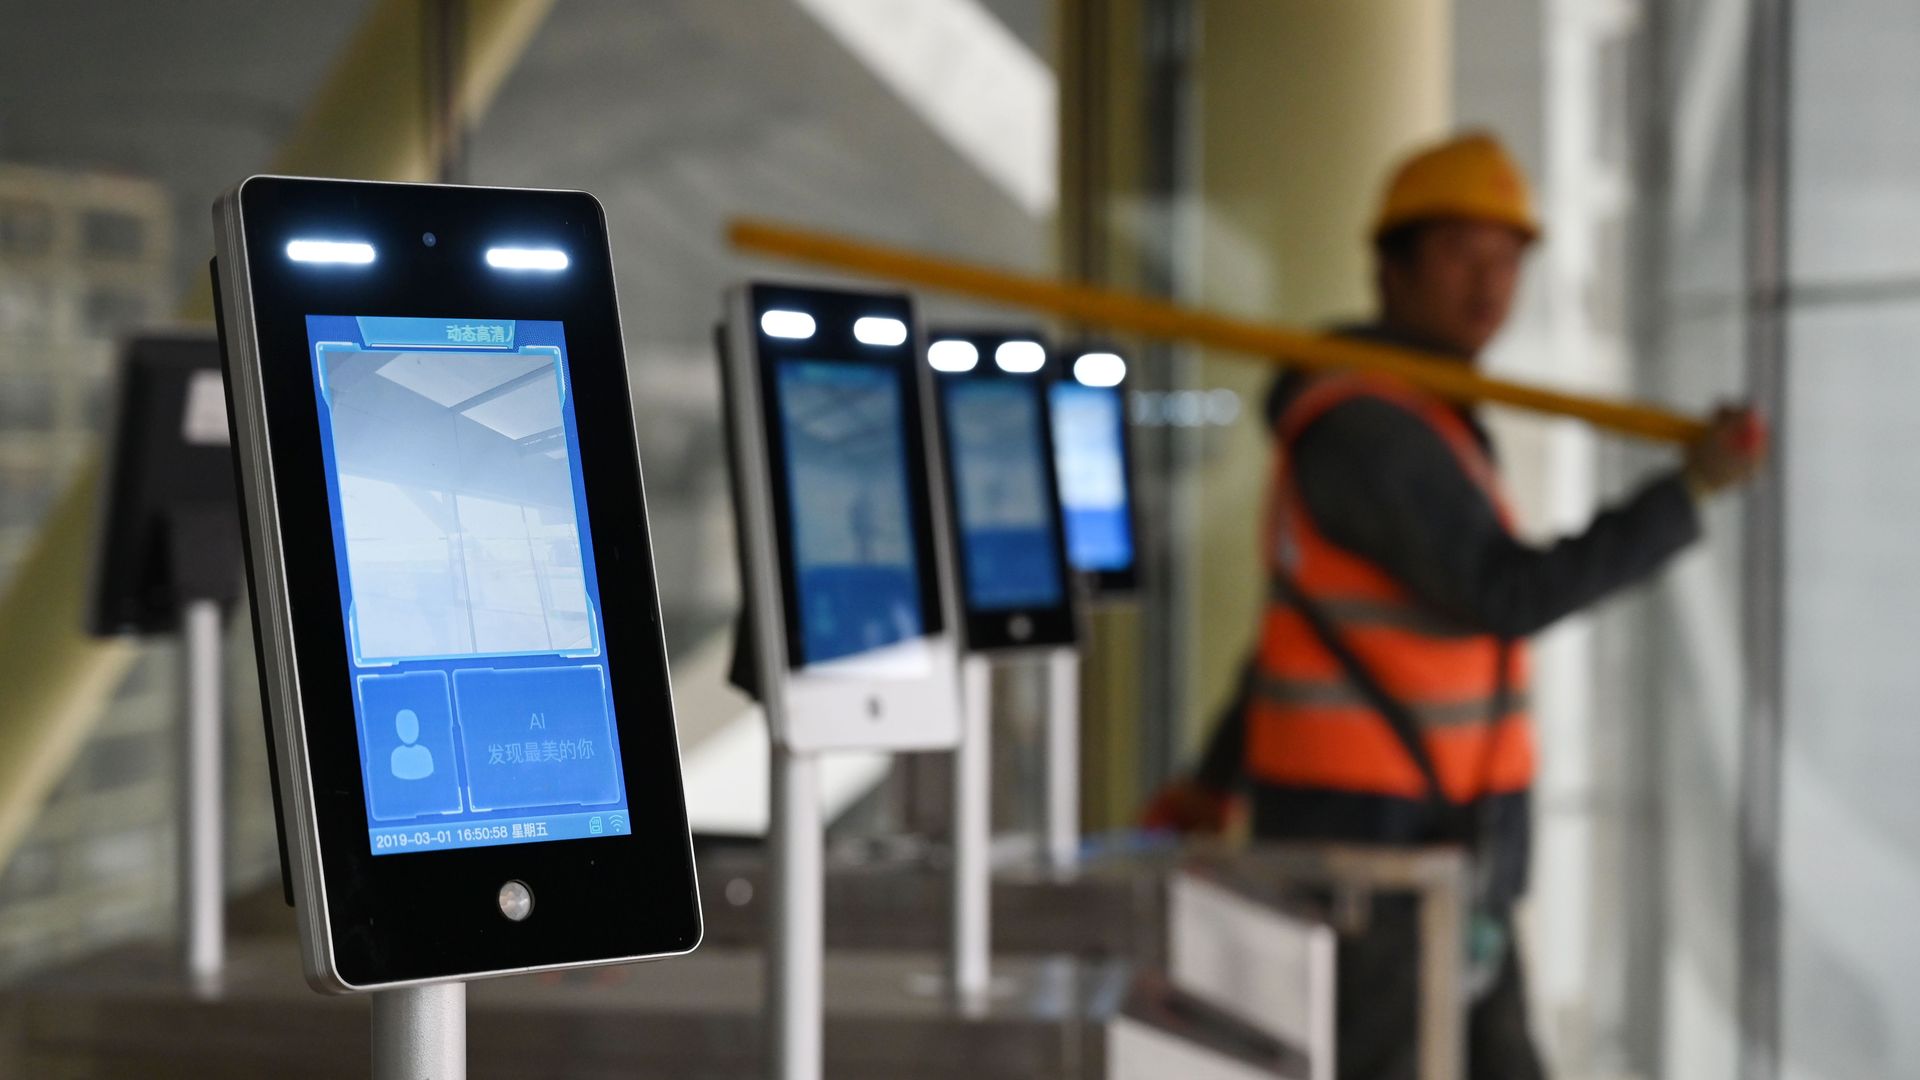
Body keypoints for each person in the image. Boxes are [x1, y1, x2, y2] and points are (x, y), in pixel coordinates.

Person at [1141, 132, 1765, 1079]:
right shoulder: (1369, 425)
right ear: (1389, 268)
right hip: (1376, 860)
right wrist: (1683, 496)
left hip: (1435, 850)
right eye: (1462, 257)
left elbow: (1298, 637)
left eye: (1508, 262)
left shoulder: (1422, 411)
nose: (1490, 287)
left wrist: (1215, 781)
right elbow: (1501, 592)